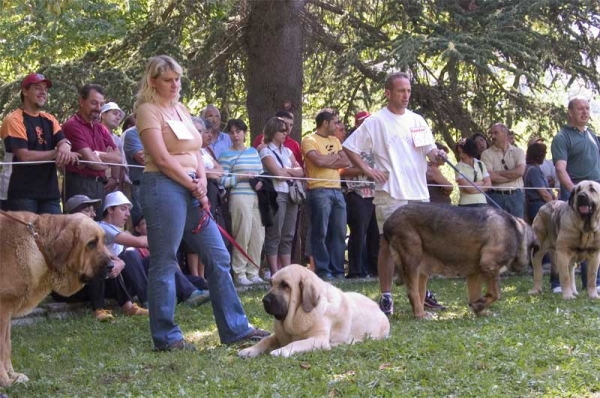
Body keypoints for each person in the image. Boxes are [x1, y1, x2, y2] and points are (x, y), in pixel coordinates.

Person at [135, 55, 268, 350]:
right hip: (163, 185)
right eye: (168, 80)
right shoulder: (148, 110)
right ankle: (166, 337)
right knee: (165, 260)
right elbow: (161, 157)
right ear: (153, 81)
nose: (175, 84)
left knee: (218, 256)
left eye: (177, 78)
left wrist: (202, 185)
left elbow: (197, 148)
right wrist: (192, 184)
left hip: (193, 185)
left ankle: (235, 328)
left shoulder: (181, 109)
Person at [342, 72, 447, 316]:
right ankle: (386, 295)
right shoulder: (376, 121)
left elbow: (430, 153)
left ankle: (420, 298)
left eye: (408, 91)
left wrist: (438, 156)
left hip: (418, 192)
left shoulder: (417, 120)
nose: (406, 95)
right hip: (391, 192)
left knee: (424, 246)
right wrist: (368, 170)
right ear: (388, 93)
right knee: (388, 244)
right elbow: (349, 146)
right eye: (401, 91)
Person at [51, 194, 149, 321]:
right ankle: (99, 309)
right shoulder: (63, 236)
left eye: (93, 210)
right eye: (87, 210)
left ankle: (128, 307)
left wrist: (119, 264)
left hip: (85, 286)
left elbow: (110, 256)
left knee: (108, 265)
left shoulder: (91, 235)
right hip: (65, 290)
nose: (92, 214)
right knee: (96, 263)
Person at [0, 73, 79, 213]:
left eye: (46, 89)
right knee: (26, 235)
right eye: (37, 88)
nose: (43, 92)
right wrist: (57, 152)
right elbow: (24, 156)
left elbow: (63, 141)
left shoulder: (49, 119)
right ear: (25, 91)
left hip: (49, 192)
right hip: (20, 191)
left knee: (54, 234)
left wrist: (65, 147)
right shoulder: (13, 119)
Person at [551, 97, 600, 291]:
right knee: (564, 240)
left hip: (595, 194)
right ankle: (557, 283)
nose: (585, 112)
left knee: (593, 238)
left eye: (587, 108)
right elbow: (560, 169)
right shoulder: (562, 137)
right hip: (574, 192)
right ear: (570, 112)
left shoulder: (592, 135)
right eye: (580, 109)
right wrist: (575, 192)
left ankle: (593, 284)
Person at [302, 109, 351, 280]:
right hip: (318, 190)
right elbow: (317, 161)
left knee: (339, 231)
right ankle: (323, 271)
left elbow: (346, 161)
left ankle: (338, 271)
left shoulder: (335, 141)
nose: (338, 125)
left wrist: (326, 160)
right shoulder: (309, 140)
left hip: (337, 191)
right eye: (335, 122)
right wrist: (332, 160)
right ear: (325, 123)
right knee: (320, 232)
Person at [62, 84, 122, 216]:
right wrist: (107, 161)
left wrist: (98, 155)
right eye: (94, 103)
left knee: (97, 230)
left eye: (101, 104)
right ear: (81, 101)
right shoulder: (72, 126)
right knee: (79, 231)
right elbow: (92, 162)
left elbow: (118, 158)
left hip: (99, 186)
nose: (98, 108)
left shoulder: (101, 128)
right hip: (80, 184)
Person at [219, 118, 265, 286]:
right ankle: (239, 273)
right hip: (238, 196)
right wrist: (240, 177)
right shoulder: (225, 155)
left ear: (244, 133)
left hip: (256, 196)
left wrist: (260, 182)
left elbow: (261, 173)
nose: (235, 135)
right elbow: (221, 180)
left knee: (258, 235)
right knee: (242, 233)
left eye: (238, 131)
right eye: (231, 132)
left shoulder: (253, 152)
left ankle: (254, 272)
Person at [259, 116, 304, 277]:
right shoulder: (265, 150)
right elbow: (277, 174)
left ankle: (288, 271)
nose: (286, 133)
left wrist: (287, 171)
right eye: (282, 130)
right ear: (273, 131)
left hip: (292, 195)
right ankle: (274, 271)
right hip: (276, 194)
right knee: (275, 233)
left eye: (287, 130)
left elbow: (301, 171)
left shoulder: (288, 151)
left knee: (288, 234)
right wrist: (289, 170)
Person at [341, 123, 379, 279]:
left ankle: (374, 269)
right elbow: (342, 170)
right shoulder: (350, 147)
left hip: (377, 195)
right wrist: (366, 170)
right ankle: (356, 270)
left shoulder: (378, 146)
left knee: (375, 234)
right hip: (357, 194)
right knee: (358, 234)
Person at [481, 123, 526, 218]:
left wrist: (499, 173)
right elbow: (490, 177)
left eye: (496, 133)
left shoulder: (518, 152)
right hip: (496, 196)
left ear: (505, 134)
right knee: (496, 228)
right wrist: (512, 177)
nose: (493, 136)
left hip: (516, 196)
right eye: (491, 133)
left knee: (518, 228)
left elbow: (520, 172)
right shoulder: (486, 154)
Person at [455, 137, 491, 207]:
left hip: (482, 203)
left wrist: (472, 187)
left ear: (470, 150)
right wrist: (482, 182)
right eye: (459, 152)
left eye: (464, 152)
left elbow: (489, 184)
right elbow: (469, 189)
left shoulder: (480, 164)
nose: (461, 155)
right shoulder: (458, 167)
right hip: (466, 205)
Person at [100, 102, 127, 193]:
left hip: (112, 187)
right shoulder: (93, 133)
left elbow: (121, 164)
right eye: (114, 113)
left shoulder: (118, 140)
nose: (118, 117)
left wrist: (116, 180)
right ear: (103, 115)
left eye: (120, 115)